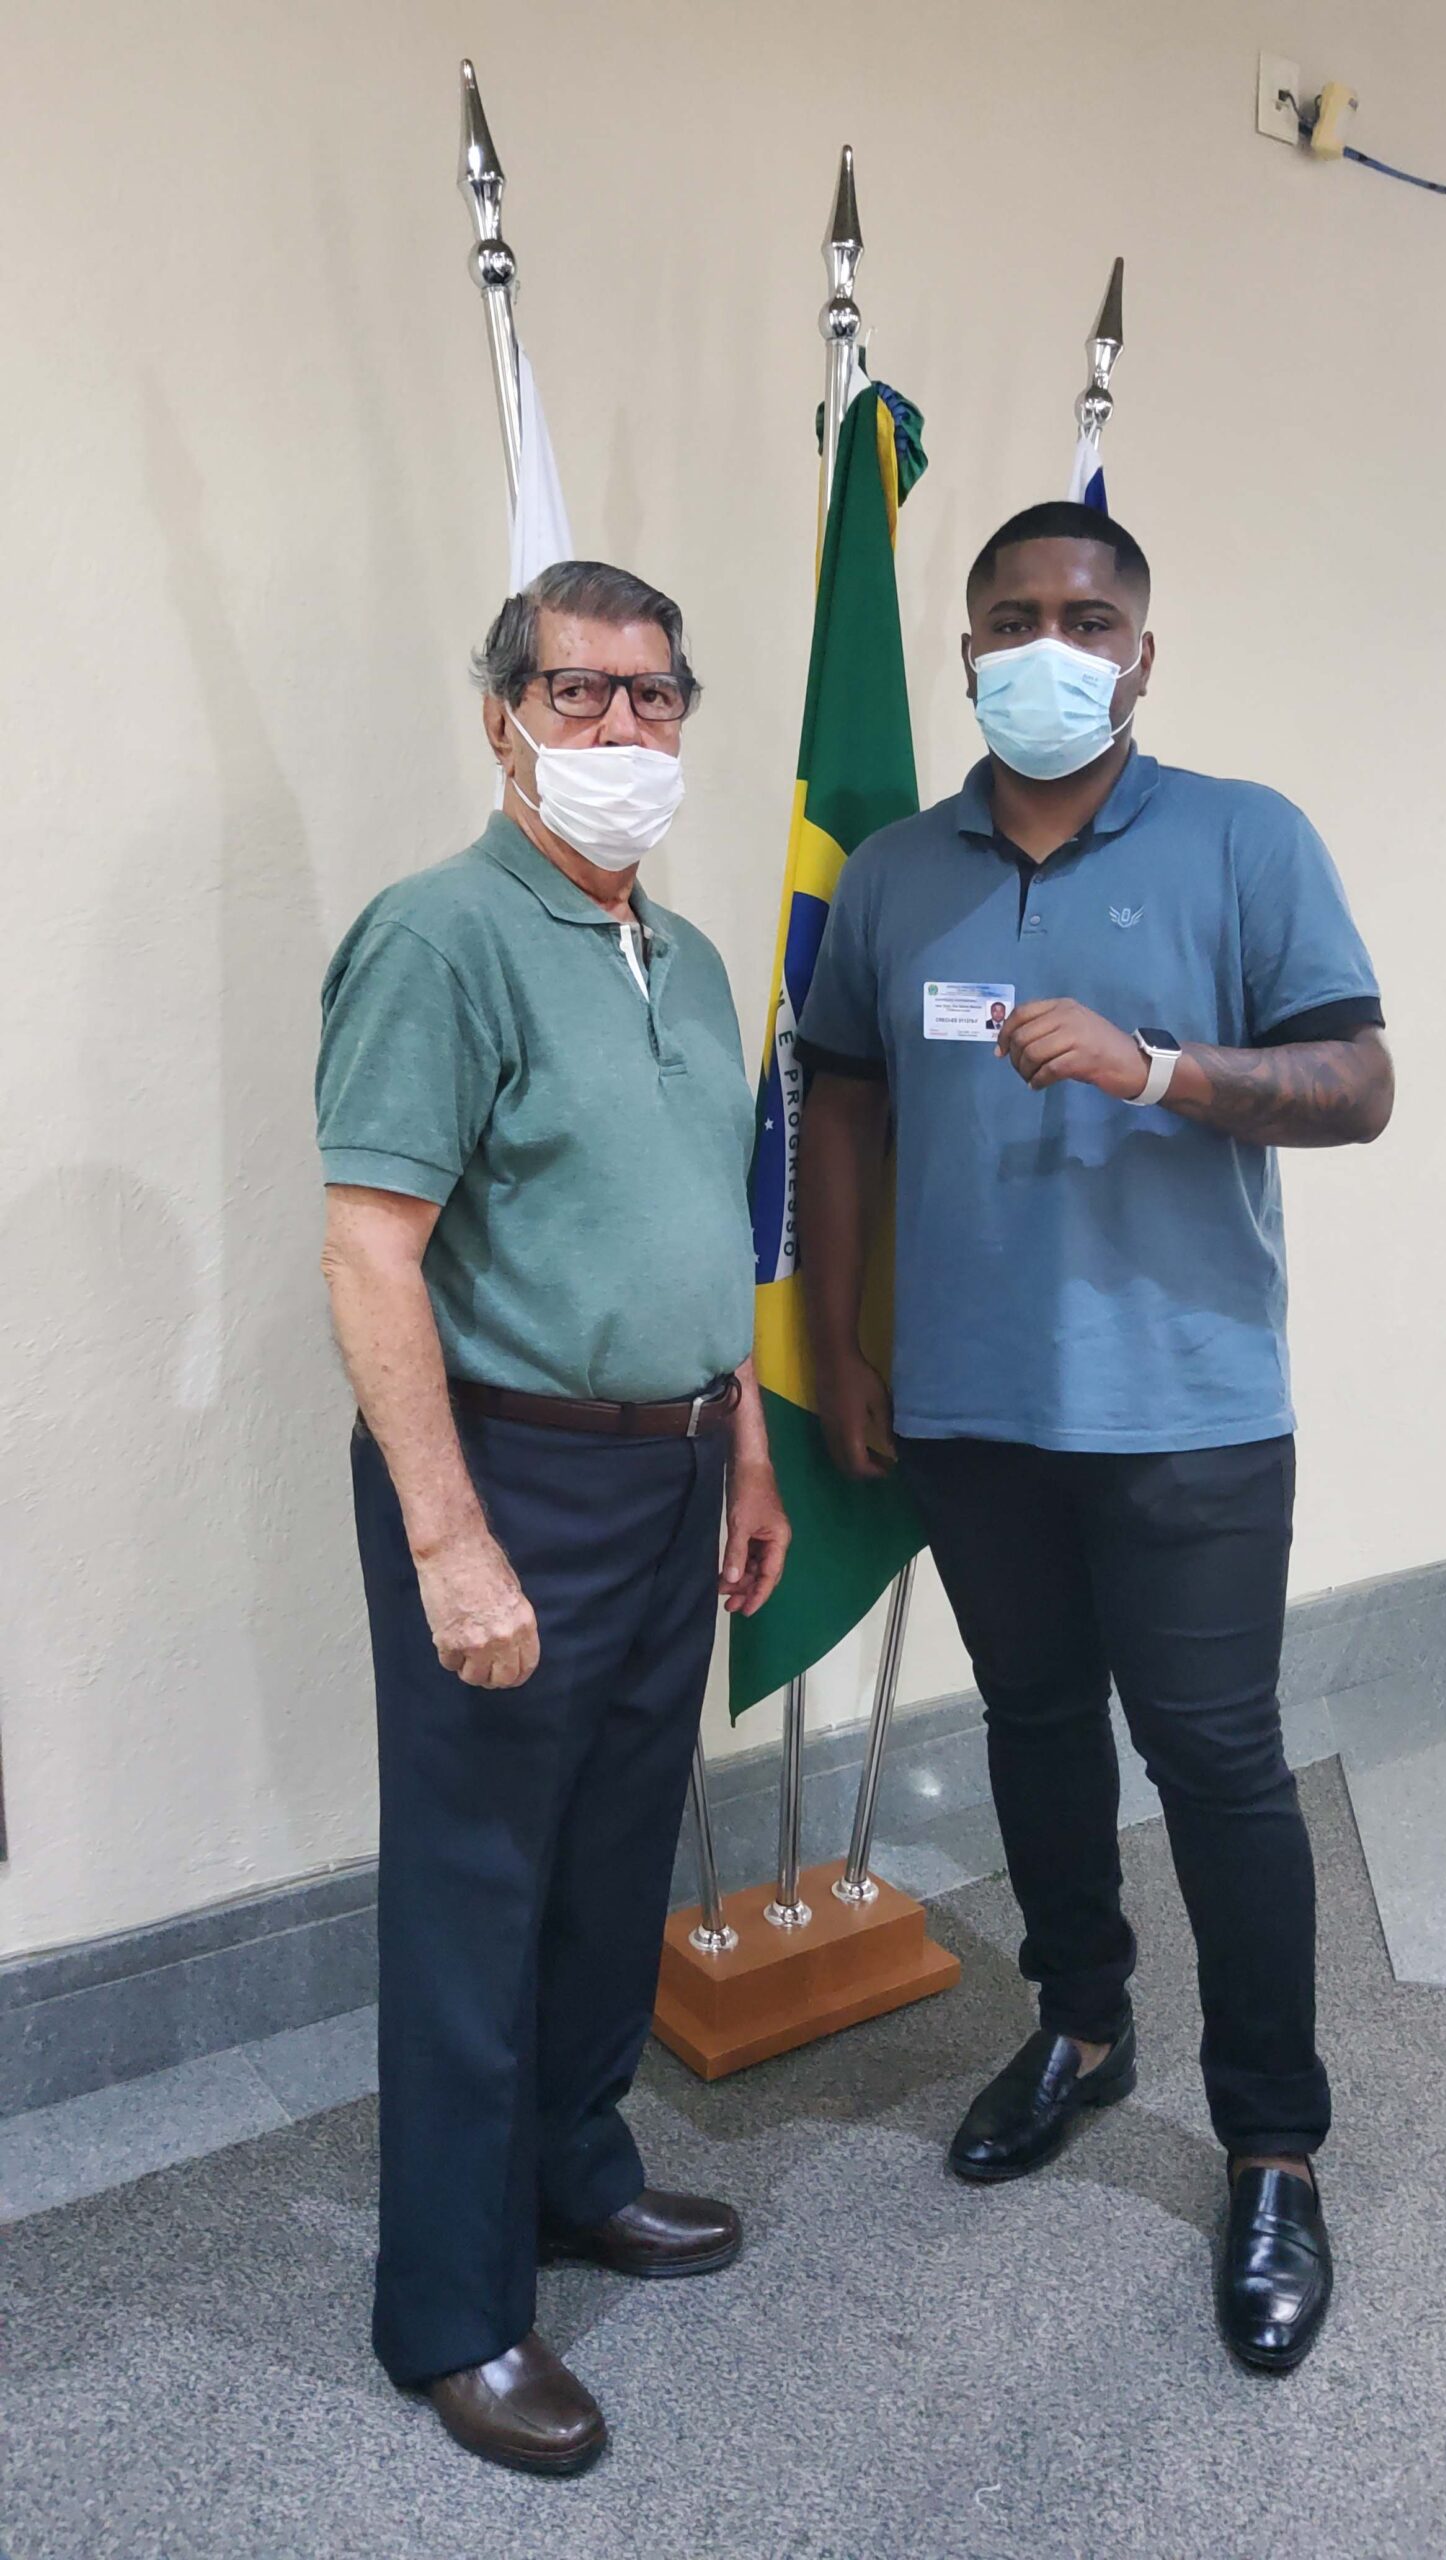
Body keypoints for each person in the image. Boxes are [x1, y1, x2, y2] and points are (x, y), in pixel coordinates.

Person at [795, 500, 1392, 2376]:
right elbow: (840, 1108)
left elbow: (1360, 1083)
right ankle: (1078, 2023)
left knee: (1218, 1764)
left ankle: (1273, 2145)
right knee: (1039, 1726)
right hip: (971, 1406)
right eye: (1009, 618)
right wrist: (839, 1346)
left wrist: (1163, 1069)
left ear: (1143, 653)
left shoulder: (1244, 836)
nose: (1044, 646)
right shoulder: (896, 873)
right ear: (967, 649)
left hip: (1188, 1410)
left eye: (1084, 617)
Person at [316, 560, 789, 2474]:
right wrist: (449, 1543)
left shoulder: (686, 959)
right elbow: (370, 1252)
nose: (620, 727)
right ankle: (452, 2308)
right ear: (503, 719)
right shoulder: (439, 938)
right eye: (577, 693)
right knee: (477, 1891)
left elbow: (693, 1235)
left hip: (674, 1469)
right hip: (508, 1476)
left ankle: (579, 2171)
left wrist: (743, 1446)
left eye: (653, 696)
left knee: (612, 1859)